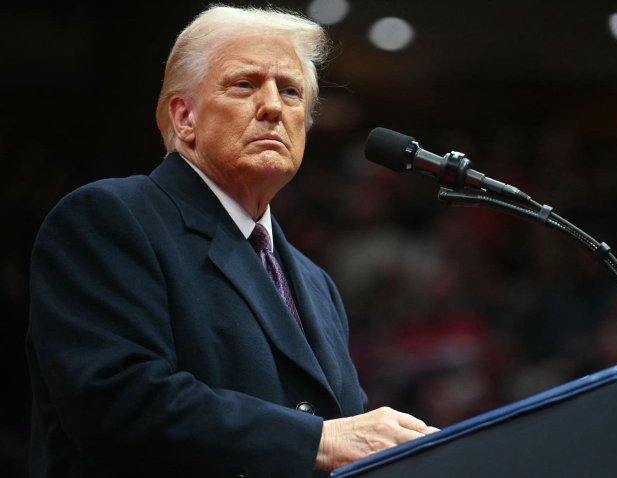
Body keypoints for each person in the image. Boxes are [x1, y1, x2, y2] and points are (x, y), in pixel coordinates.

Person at [26, 6, 437, 477]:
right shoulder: (111, 218)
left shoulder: (315, 283)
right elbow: (115, 399)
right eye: (244, 84)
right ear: (184, 117)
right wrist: (316, 441)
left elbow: (348, 440)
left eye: (290, 91)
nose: (273, 107)